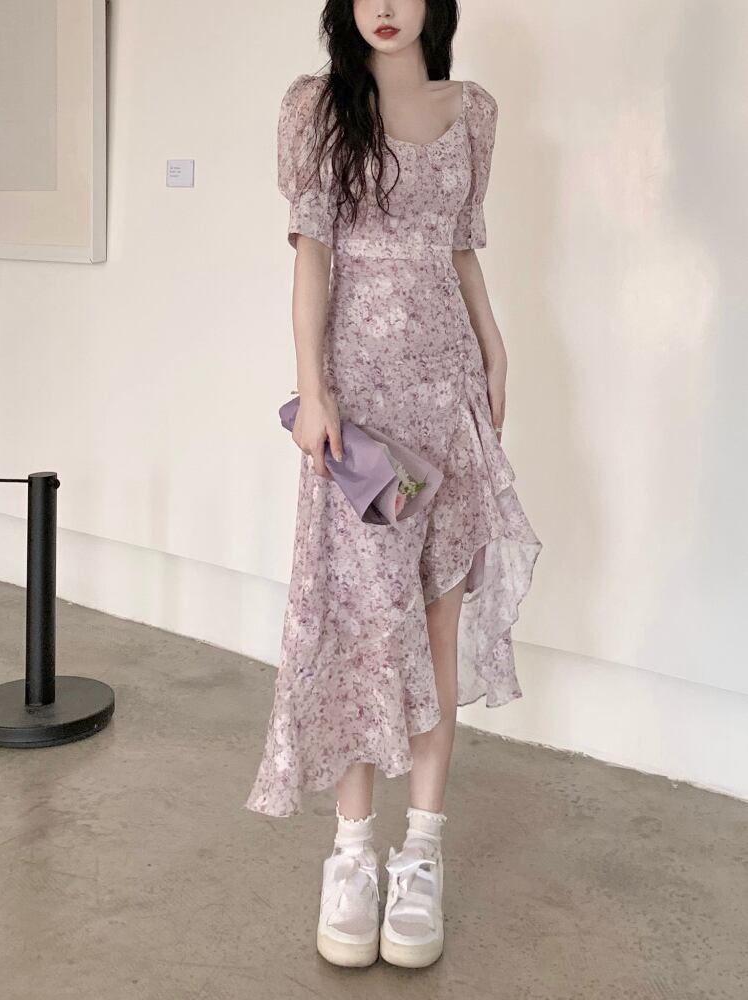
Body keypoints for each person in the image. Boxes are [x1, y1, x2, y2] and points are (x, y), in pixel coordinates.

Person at [243, 0, 542, 970]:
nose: (383, 5)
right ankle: (352, 854)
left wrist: (496, 350)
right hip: (363, 410)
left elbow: (460, 249)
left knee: (438, 624)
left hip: (446, 393)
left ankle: (423, 853)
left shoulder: (473, 112)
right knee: (366, 625)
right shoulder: (317, 107)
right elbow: (312, 259)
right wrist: (315, 390)